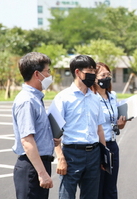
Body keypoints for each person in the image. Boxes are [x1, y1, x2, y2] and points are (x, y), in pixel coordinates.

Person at [53, 55, 106, 199]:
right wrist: (60, 158)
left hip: (94, 154)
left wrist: (104, 155)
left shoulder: (95, 99)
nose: (93, 75)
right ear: (78, 72)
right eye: (90, 71)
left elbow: (99, 129)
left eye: (94, 71)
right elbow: (54, 132)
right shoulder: (63, 98)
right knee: (66, 196)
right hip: (71, 154)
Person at [12, 52, 59, 199]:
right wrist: (42, 173)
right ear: (37, 74)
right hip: (31, 168)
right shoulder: (27, 101)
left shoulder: (35, 98)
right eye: (48, 71)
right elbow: (27, 141)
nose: (50, 76)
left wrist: (49, 139)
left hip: (38, 164)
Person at [91, 62, 128, 199]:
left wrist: (120, 124)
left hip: (112, 145)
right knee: (98, 186)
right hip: (99, 146)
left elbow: (116, 123)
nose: (106, 78)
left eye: (108, 75)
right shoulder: (92, 98)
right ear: (94, 78)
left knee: (111, 187)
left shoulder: (113, 96)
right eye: (102, 75)